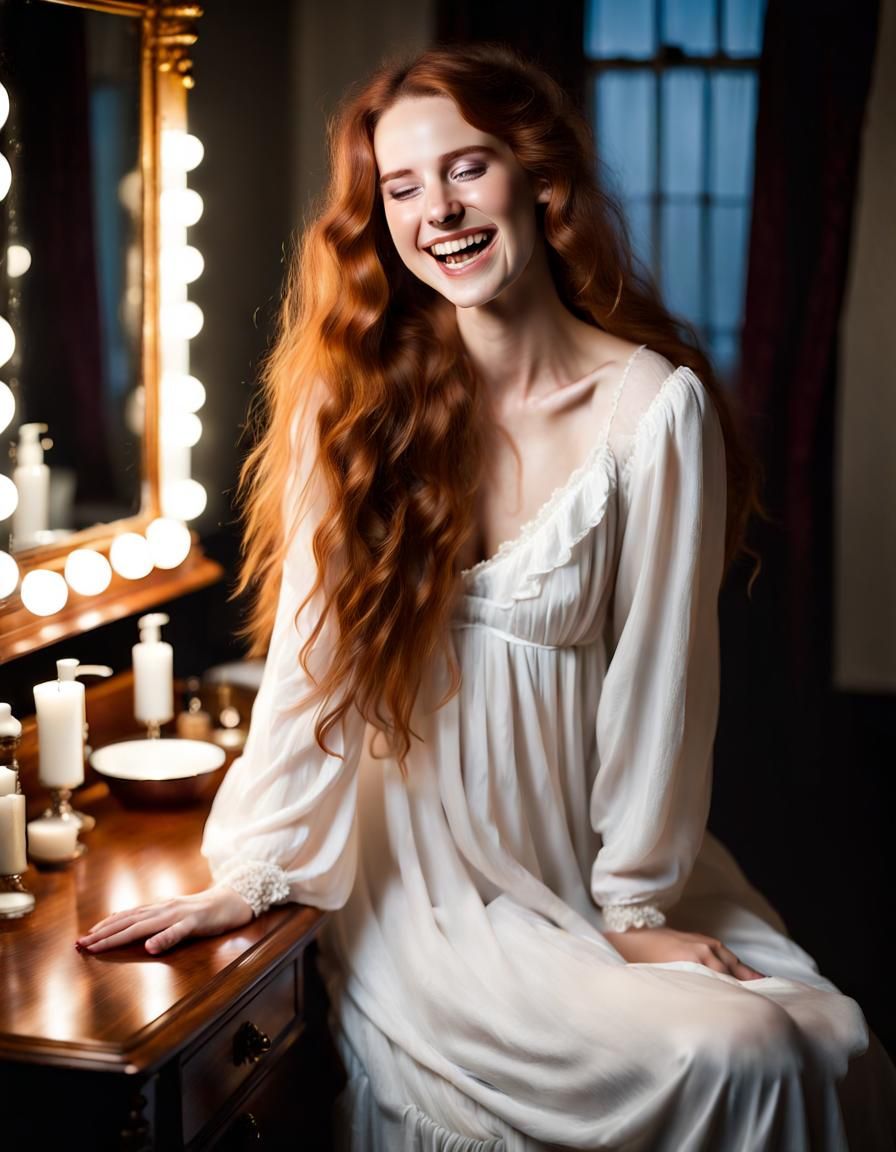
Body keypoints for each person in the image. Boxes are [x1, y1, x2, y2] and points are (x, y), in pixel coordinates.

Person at [78, 45, 896, 1151]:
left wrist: (635, 911)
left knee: (823, 1040)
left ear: (540, 179)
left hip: (585, 855)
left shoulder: (651, 412)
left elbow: (661, 689)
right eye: (400, 188)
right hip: (418, 882)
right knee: (735, 1054)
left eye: (466, 169)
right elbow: (311, 660)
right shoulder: (352, 396)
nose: (436, 211)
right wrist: (259, 867)